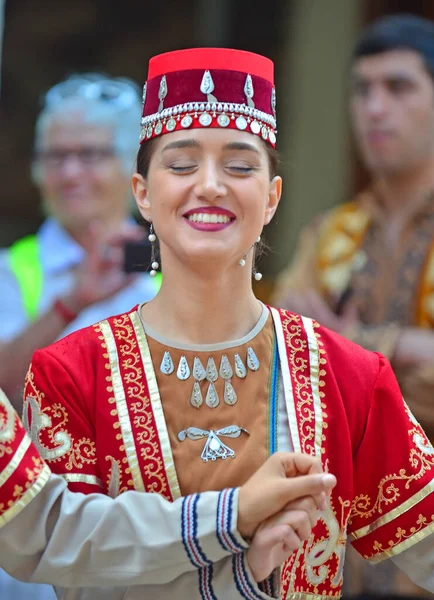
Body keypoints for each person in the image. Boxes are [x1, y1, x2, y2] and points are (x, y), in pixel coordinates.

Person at [21, 47, 434, 599]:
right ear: (142, 193)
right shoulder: (70, 374)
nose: (211, 185)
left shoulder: (348, 376)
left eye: (240, 166)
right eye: (181, 164)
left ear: (271, 197)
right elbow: (62, 549)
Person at [272, 13, 434, 598]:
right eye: (362, 90)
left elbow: (321, 355)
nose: (374, 108)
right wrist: (404, 350)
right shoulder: (332, 232)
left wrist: (354, 345)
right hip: (341, 533)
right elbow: (282, 363)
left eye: (398, 87)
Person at [0, 386, 337, 589]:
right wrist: (233, 514)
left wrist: (243, 571)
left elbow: (44, 528)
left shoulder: (339, 367)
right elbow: (47, 535)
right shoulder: (70, 368)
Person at [0, 73, 159, 410]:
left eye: (90, 155)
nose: (70, 174)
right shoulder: (10, 269)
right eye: (55, 157)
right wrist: (71, 302)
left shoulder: (167, 263)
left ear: (132, 165)